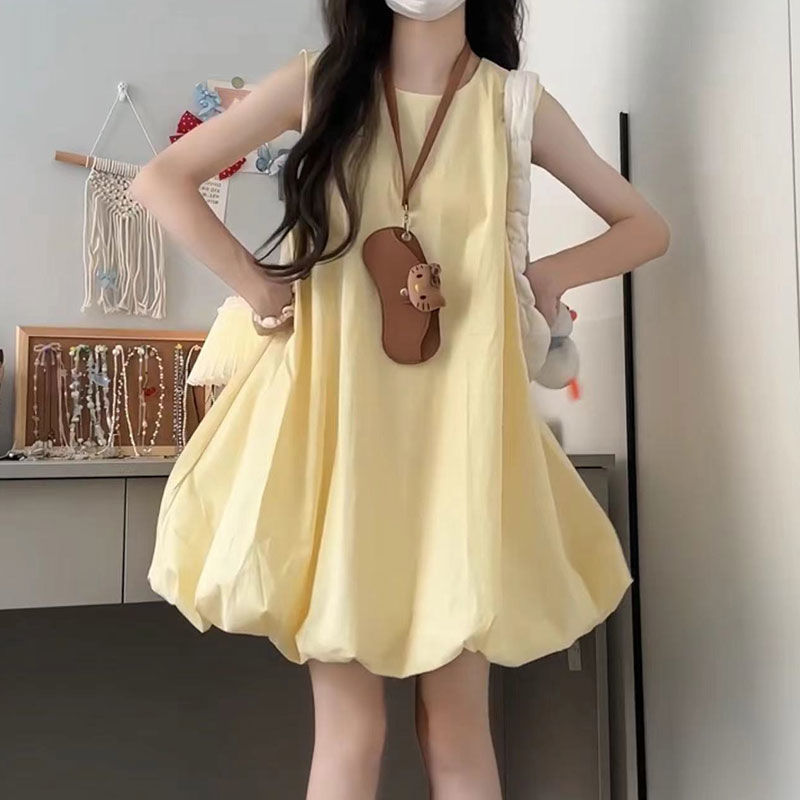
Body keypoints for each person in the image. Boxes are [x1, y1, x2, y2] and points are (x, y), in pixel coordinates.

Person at [131, 1, 669, 797]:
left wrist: (547, 276)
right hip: (341, 444)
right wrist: (259, 289)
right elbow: (159, 180)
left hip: (460, 448)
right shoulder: (319, 86)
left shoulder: (511, 103)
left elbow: (645, 227)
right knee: (359, 736)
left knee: (452, 733)